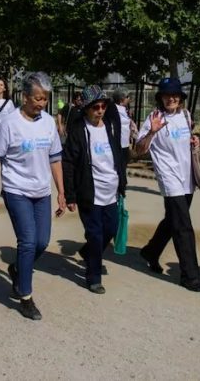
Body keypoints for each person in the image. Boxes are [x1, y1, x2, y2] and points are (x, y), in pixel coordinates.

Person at [0, 72, 66, 320]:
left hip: (42, 192)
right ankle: (25, 296)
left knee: (42, 242)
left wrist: (61, 191)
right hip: (16, 190)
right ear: (25, 97)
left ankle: (18, 267)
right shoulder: (10, 124)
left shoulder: (49, 122)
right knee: (28, 241)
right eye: (38, 98)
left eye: (45, 99)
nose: (42, 104)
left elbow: (55, 158)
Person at [136, 77, 200, 293]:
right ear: (160, 98)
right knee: (183, 226)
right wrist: (152, 131)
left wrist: (195, 141)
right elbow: (139, 149)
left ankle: (150, 251)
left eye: (175, 95)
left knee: (173, 220)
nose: (171, 98)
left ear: (180, 98)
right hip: (169, 179)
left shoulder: (185, 116)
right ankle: (190, 276)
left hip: (187, 178)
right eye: (167, 95)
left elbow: (185, 140)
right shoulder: (154, 118)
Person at [62, 85, 126, 294]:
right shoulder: (79, 130)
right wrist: (70, 195)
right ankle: (93, 277)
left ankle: (88, 252)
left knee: (111, 229)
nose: (100, 110)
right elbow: (69, 163)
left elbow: (118, 156)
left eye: (103, 106)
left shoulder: (109, 126)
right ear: (87, 109)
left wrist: (122, 183)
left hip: (111, 191)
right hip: (89, 193)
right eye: (95, 107)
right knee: (96, 234)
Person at [112, 89, 136, 176]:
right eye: (127, 97)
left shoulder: (124, 109)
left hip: (125, 144)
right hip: (118, 144)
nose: (129, 99)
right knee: (119, 168)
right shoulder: (114, 110)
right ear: (121, 99)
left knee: (123, 166)